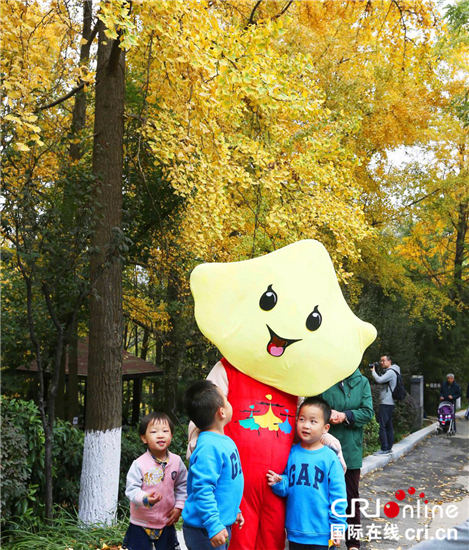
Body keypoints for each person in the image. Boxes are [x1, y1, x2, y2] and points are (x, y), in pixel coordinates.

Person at [266, 396, 348, 550]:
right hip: (296, 532)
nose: (306, 425)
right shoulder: (291, 453)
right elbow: (288, 486)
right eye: (302, 419)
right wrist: (279, 482)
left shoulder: (330, 458)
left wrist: (337, 526)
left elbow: (339, 496)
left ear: (325, 428)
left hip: (323, 535)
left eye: (313, 421)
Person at [182, 380, 244, 550]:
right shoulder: (208, 448)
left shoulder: (223, 441)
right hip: (204, 529)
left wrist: (233, 510)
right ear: (221, 412)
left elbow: (226, 483)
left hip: (217, 523)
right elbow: (202, 489)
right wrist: (213, 525)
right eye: (225, 398)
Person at [321, 368, 374, 550]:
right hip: (324, 448)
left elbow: (368, 412)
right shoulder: (324, 378)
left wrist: (345, 416)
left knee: (351, 498)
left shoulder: (362, 382)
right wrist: (328, 414)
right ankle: (327, 542)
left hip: (350, 450)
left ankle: (353, 544)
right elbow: (313, 408)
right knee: (325, 497)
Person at [123, 412, 187, 550]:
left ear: (171, 435)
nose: (160, 435)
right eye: (153, 431)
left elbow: (183, 485)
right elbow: (131, 489)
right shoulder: (139, 464)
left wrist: (179, 507)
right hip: (141, 523)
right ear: (144, 438)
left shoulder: (176, 461)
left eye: (165, 431)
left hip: (166, 522)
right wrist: (145, 498)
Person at [371, 354, 400, 455]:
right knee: (388, 425)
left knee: (382, 426)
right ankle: (388, 447)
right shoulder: (393, 371)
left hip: (386, 402)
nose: (381, 362)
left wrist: (373, 371)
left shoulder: (391, 372)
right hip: (390, 402)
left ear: (389, 361)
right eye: (381, 361)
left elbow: (379, 380)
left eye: (383, 361)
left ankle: (384, 448)